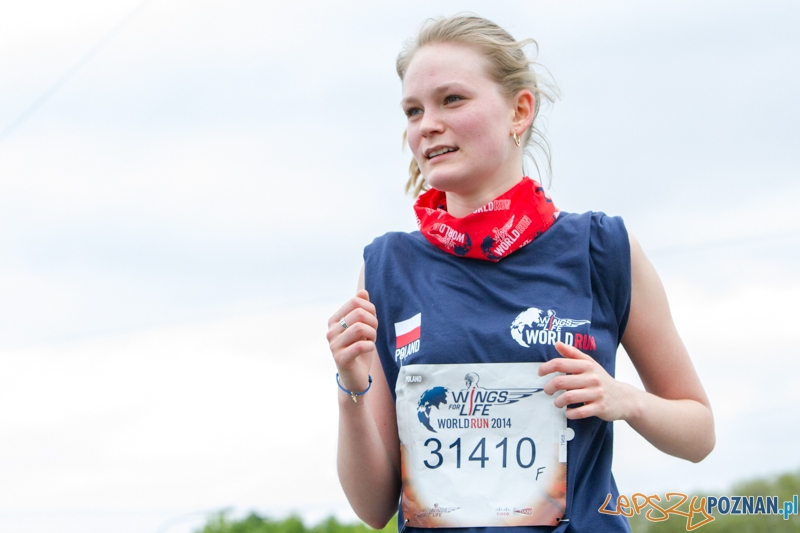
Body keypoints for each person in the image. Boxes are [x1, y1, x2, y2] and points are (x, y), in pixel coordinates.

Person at [326, 15, 714, 533]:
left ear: (520, 109)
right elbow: (373, 509)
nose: (427, 125)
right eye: (413, 110)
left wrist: (627, 401)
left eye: (452, 100)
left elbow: (699, 432)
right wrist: (350, 386)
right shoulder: (387, 267)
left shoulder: (602, 249)